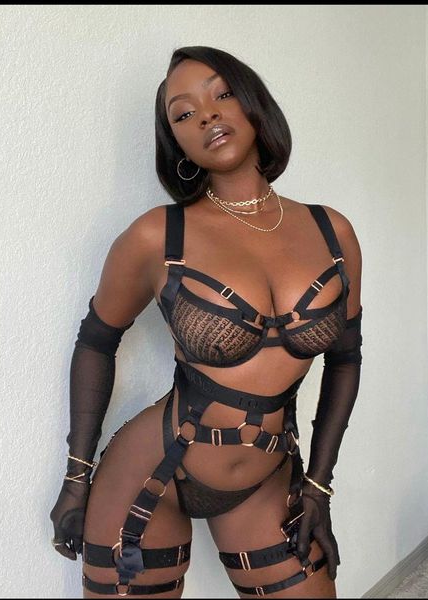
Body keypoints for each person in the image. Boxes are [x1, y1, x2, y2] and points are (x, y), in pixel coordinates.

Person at [49, 45, 363, 599]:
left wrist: (318, 485)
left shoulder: (331, 231)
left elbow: (346, 358)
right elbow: (96, 341)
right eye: (184, 113)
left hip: (268, 476)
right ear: (177, 143)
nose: (208, 115)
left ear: (253, 104)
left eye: (222, 94)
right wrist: (76, 478)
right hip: (152, 474)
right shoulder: (157, 236)